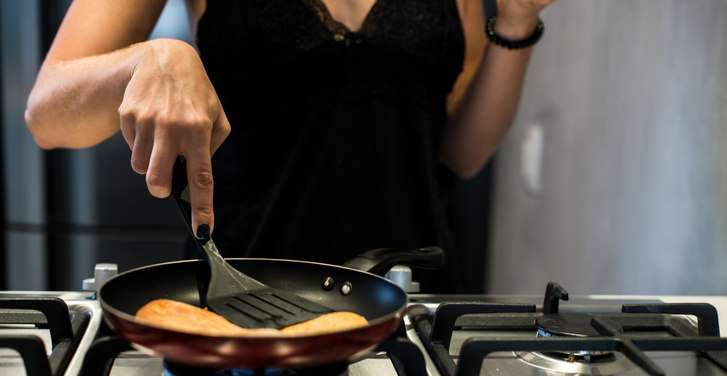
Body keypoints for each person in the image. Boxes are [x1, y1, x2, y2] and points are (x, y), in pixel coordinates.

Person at [25, 0, 557, 292]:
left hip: (410, 297)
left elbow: (460, 152)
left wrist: (516, 22)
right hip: (245, 300)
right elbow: (47, 114)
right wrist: (150, 57)